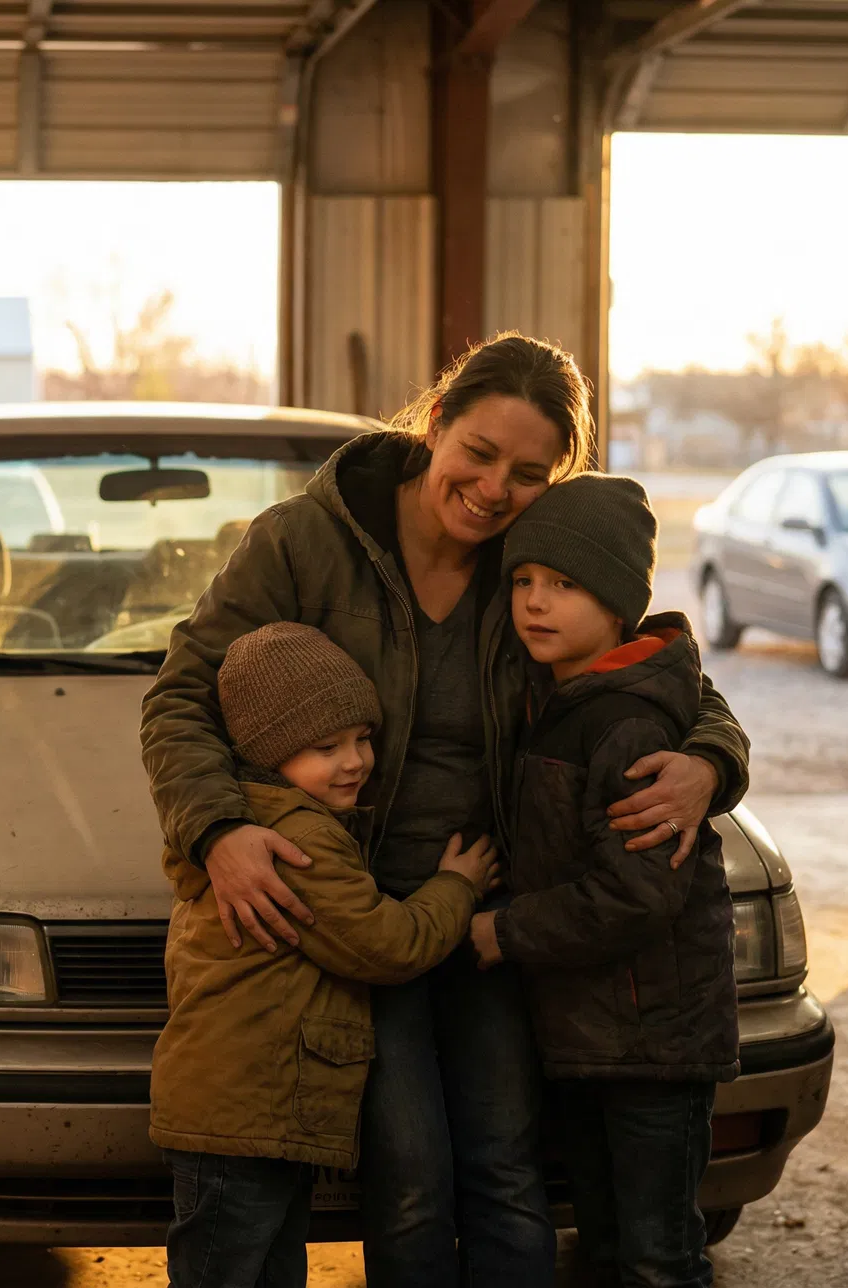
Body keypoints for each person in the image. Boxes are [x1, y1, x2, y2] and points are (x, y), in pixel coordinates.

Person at [140, 332, 751, 1285]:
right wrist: (216, 828)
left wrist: (712, 760)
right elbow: (182, 692)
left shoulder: (537, 558)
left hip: (495, 913)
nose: (494, 487)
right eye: (479, 452)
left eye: (528, 472)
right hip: (360, 915)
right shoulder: (308, 541)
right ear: (435, 424)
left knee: (506, 1171)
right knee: (411, 1175)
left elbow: (652, 668)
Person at [150, 621, 501, 1288]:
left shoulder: (268, 822)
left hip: (250, 1109)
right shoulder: (296, 840)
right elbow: (389, 945)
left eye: (362, 738)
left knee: (268, 1270)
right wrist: (457, 886)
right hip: (245, 1111)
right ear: (268, 753)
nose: (355, 761)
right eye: (326, 747)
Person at [470, 475, 739, 1288]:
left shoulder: (626, 724)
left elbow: (635, 894)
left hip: (653, 1047)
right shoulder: (555, 697)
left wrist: (502, 931)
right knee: (610, 1248)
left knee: (658, 1258)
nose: (535, 604)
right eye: (522, 581)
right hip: (594, 1040)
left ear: (619, 602)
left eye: (564, 585)